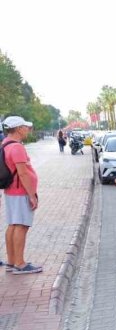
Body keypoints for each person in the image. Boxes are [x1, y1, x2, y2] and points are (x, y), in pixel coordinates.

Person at [2, 117, 42, 274]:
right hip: (20, 191)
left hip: (10, 191)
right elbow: (23, 173)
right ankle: (20, 263)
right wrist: (32, 195)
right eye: (26, 127)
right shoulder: (17, 147)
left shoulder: (5, 143)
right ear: (18, 128)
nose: (28, 129)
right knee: (21, 225)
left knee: (13, 224)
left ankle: (12, 262)